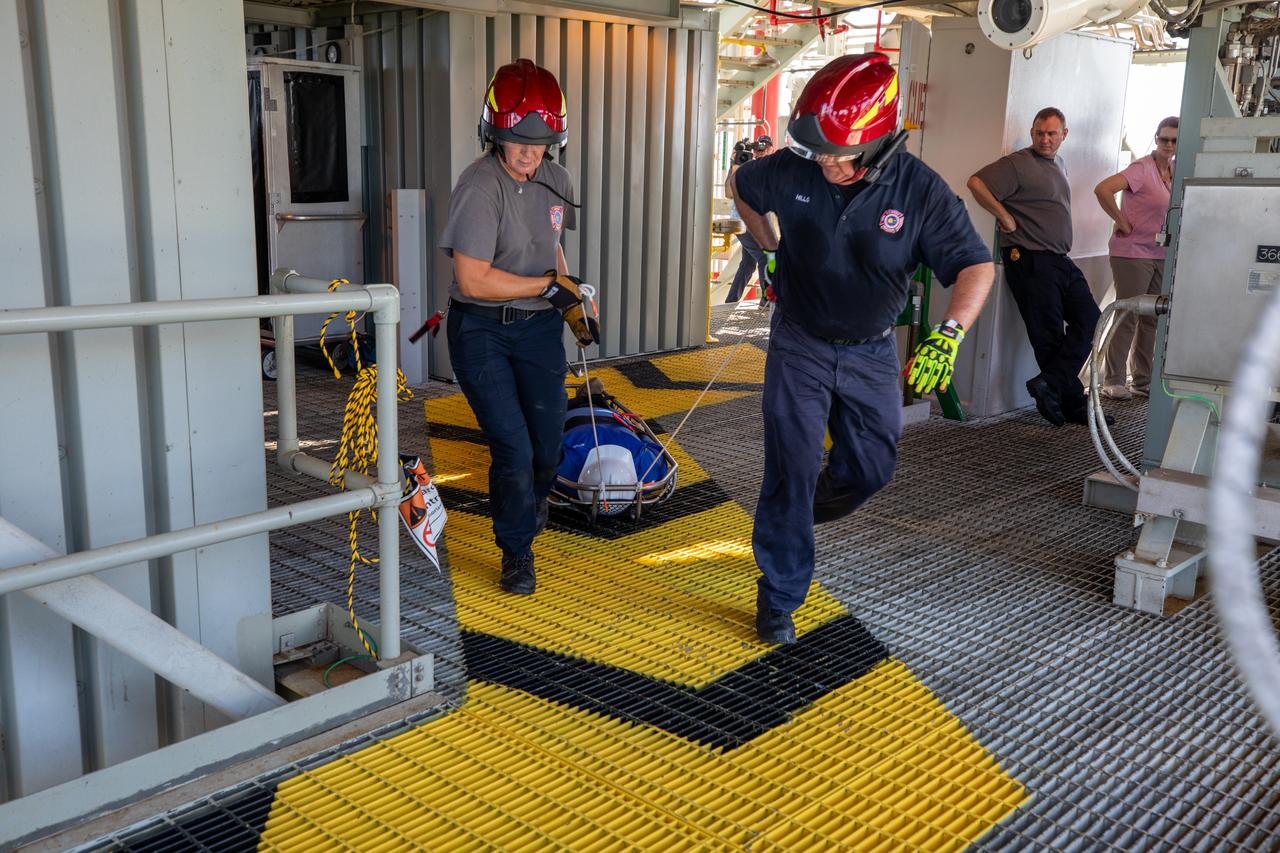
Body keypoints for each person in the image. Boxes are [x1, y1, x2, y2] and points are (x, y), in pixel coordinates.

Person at [731, 53, 995, 644]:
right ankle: (778, 593)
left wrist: (948, 334)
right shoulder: (795, 170)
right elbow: (742, 185)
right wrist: (766, 239)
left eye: (838, 152)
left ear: (878, 144)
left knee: (871, 468)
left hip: (871, 351)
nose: (824, 160)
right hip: (799, 341)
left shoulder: (920, 191)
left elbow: (976, 266)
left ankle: (789, 516)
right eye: (817, 147)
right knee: (791, 466)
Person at [440, 59, 600, 596]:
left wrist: (570, 296)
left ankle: (529, 509)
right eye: (518, 142)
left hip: (536, 331)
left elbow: (551, 247)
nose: (531, 153)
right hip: (481, 330)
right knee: (513, 448)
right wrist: (544, 288)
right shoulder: (479, 185)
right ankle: (516, 551)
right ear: (494, 133)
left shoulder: (556, 179)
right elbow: (473, 278)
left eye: (542, 142)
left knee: (547, 447)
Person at [968, 108, 1104, 428]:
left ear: (1064, 135)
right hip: (1029, 259)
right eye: (1040, 133)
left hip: (1059, 259)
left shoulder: (1058, 164)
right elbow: (976, 183)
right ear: (1032, 133)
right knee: (1049, 336)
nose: (1045, 139)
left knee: (1092, 320)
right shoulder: (1017, 164)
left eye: (1052, 134)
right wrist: (1003, 215)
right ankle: (1071, 404)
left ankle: (1050, 383)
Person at [1094, 117, 1177, 400]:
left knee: (1153, 317)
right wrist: (1121, 220)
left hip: (1161, 254)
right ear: (1156, 139)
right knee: (1128, 314)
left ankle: (1142, 380)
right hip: (1132, 253)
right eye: (1164, 139)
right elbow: (1103, 189)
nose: (1168, 145)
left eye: (1174, 140)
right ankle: (1113, 380)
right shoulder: (1142, 168)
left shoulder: (1177, 169)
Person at [724, 134, 776, 303]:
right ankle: (766, 301)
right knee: (764, 257)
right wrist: (734, 165)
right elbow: (728, 193)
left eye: (765, 147)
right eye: (757, 148)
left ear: (771, 149)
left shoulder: (771, 168)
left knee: (748, 263)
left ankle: (731, 300)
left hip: (757, 223)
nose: (760, 151)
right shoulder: (745, 165)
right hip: (743, 222)